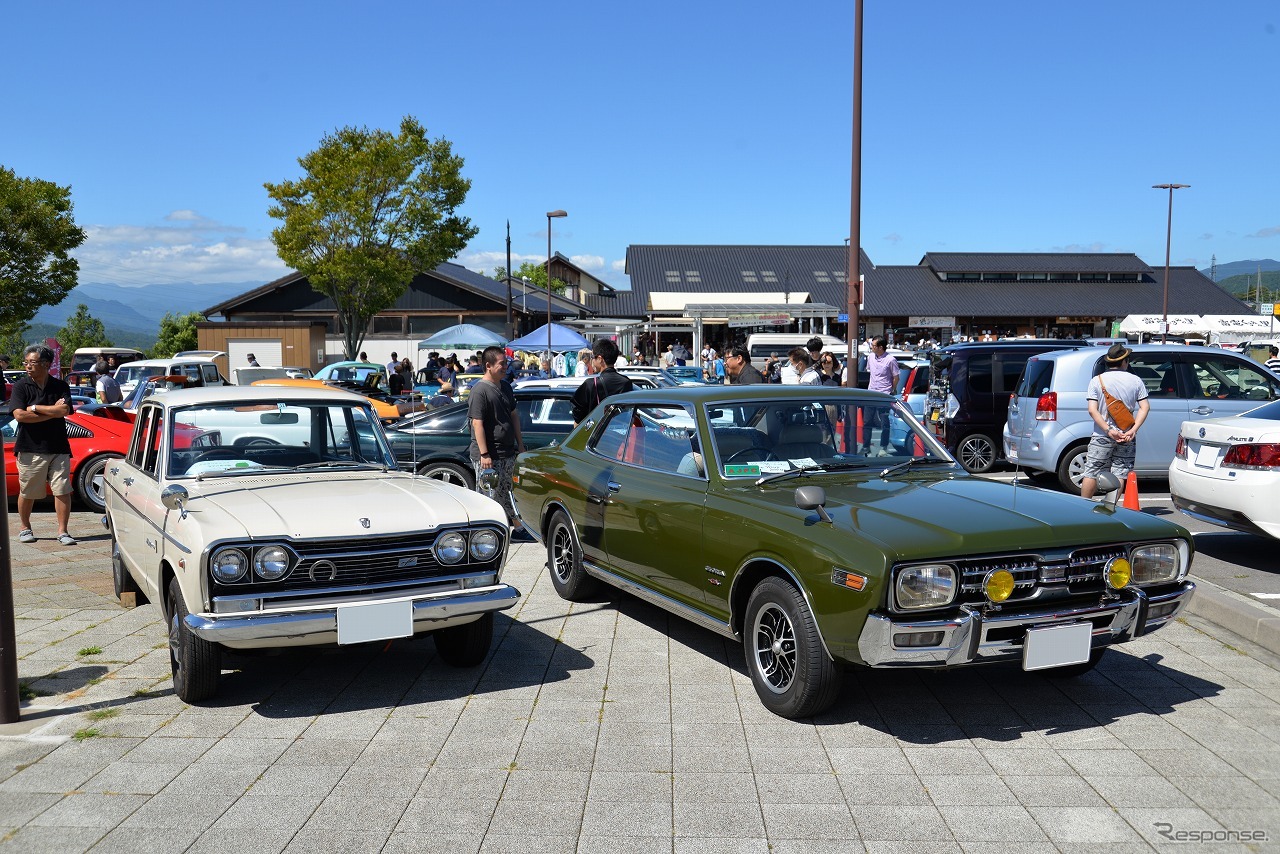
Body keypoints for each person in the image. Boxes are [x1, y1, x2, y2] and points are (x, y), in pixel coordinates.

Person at [10, 346, 77, 545]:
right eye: (26, 362)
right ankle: (25, 528)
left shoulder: (60, 385)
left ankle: (63, 532)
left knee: (62, 490)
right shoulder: (20, 386)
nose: (27, 366)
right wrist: (51, 412)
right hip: (30, 447)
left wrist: (35, 408)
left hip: (58, 447)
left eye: (32, 363)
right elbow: (20, 415)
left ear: (46, 365)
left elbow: (64, 410)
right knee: (28, 491)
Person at [468, 346, 533, 542]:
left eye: (506, 363)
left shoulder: (505, 386)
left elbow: (513, 415)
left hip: (507, 451)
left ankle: (519, 530)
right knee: (489, 496)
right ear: (488, 366)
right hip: (489, 455)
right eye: (502, 364)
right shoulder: (479, 391)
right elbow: (476, 423)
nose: (506, 366)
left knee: (508, 492)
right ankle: (484, 537)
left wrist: (520, 444)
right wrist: (484, 454)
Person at [1081, 343, 1150, 500]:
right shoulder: (1136, 381)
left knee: (1092, 471)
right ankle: (1109, 508)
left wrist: (1108, 430)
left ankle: (1083, 507)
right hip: (1127, 435)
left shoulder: (1096, 381)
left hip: (1102, 434)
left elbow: (1092, 410)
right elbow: (1145, 407)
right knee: (1120, 471)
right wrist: (1133, 430)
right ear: (1125, 361)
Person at [571, 338, 635, 424]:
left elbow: (578, 416)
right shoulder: (626, 382)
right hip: (620, 433)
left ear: (600, 359)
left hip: (596, 434)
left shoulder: (591, 384)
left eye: (593, 357)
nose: (592, 360)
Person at [859, 337, 900, 455]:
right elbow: (869, 371)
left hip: (884, 394)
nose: (871, 347)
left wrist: (892, 390)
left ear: (880, 347)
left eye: (873, 345)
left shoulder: (890, 360)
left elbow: (896, 377)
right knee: (867, 421)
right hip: (871, 393)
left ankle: (883, 447)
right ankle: (866, 446)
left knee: (884, 422)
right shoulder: (871, 357)